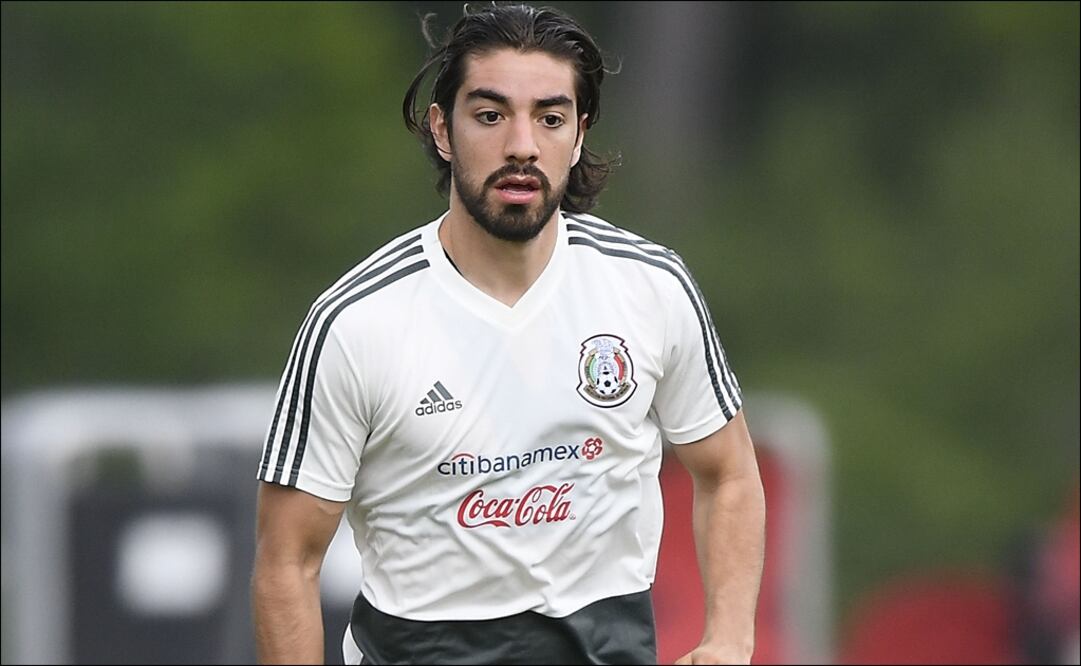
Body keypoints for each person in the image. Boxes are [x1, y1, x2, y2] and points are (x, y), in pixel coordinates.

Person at [251, 3, 765, 664]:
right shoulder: (356, 323)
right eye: (491, 115)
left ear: (578, 134)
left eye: (549, 118)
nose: (522, 144)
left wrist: (728, 640)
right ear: (443, 129)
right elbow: (286, 562)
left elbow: (728, 474)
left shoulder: (649, 286)